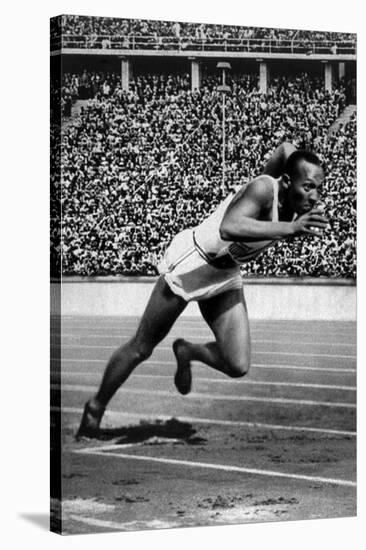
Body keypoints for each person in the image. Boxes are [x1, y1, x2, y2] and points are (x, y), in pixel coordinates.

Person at [76, 142, 328, 438]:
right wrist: (290, 229)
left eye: (318, 189)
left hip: (225, 275)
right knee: (141, 348)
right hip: (193, 263)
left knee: (238, 363)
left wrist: (300, 166)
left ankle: (188, 350)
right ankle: (94, 408)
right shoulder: (263, 189)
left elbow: (287, 148)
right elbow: (229, 227)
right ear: (287, 181)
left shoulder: (295, 206)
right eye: (308, 187)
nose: (314, 197)